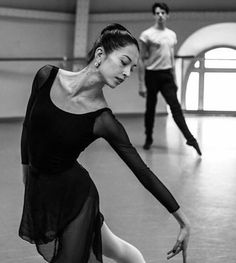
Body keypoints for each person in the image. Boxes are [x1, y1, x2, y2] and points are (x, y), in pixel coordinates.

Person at [19, 23, 190, 263]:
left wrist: (182, 219)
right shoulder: (46, 76)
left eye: (133, 68)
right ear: (100, 54)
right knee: (118, 250)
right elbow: (28, 126)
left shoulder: (103, 119)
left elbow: (142, 171)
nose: (128, 73)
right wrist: (26, 172)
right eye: (124, 62)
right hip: (41, 191)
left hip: (76, 196)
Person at [138, 2, 202, 155]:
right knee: (150, 109)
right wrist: (141, 84)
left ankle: (190, 138)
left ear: (167, 15)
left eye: (163, 13)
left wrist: (175, 79)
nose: (160, 15)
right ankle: (148, 138)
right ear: (154, 15)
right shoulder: (147, 35)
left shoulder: (171, 35)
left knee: (175, 108)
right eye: (157, 13)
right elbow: (141, 59)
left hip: (167, 76)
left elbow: (171, 58)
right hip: (152, 75)